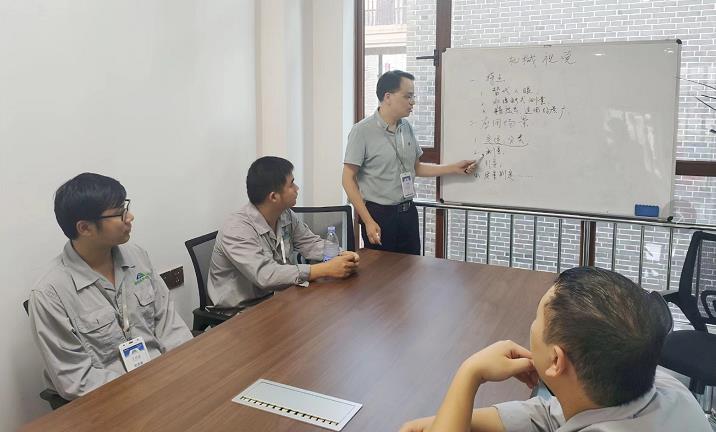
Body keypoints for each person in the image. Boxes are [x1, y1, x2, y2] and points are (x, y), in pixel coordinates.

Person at [400, 267, 711, 432]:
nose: (532, 325)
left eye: (537, 319)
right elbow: (552, 415)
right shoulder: (665, 388)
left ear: (555, 360)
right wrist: (454, 419)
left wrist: (469, 374)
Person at [28, 173, 192, 400]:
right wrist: (145, 388)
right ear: (85, 228)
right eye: (119, 212)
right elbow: (76, 380)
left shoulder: (137, 256)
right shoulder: (50, 293)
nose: (130, 217)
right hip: (111, 399)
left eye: (126, 207)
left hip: (167, 379)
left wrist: (184, 368)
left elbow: (170, 325)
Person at [343, 69, 477, 255]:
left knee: (412, 267)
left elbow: (416, 168)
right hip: (379, 214)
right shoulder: (362, 131)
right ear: (388, 97)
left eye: (413, 96)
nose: (412, 102)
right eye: (408, 96)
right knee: (383, 270)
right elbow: (347, 179)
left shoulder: (406, 127)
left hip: (408, 212)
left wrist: (454, 168)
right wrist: (367, 220)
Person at [208, 156, 360, 309]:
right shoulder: (236, 229)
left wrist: (342, 255)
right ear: (274, 197)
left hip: (276, 299)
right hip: (239, 313)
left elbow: (310, 243)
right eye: (291, 184)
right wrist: (323, 269)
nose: (297, 188)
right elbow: (266, 275)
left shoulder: (284, 214)